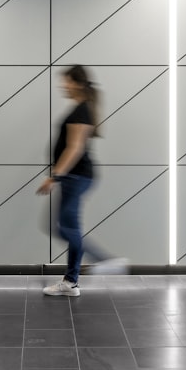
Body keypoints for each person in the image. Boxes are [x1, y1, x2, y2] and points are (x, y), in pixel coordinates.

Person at [37, 65, 127, 297]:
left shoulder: (82, 111)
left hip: (76, 176)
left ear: (77, 83)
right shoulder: (80, 109)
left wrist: (54, 176)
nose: (62, 85)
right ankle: (71, 282)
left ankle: (105, 260)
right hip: (73, 177)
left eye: (66, 81)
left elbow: (74, 148)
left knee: (65, 227)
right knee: (67, 227)